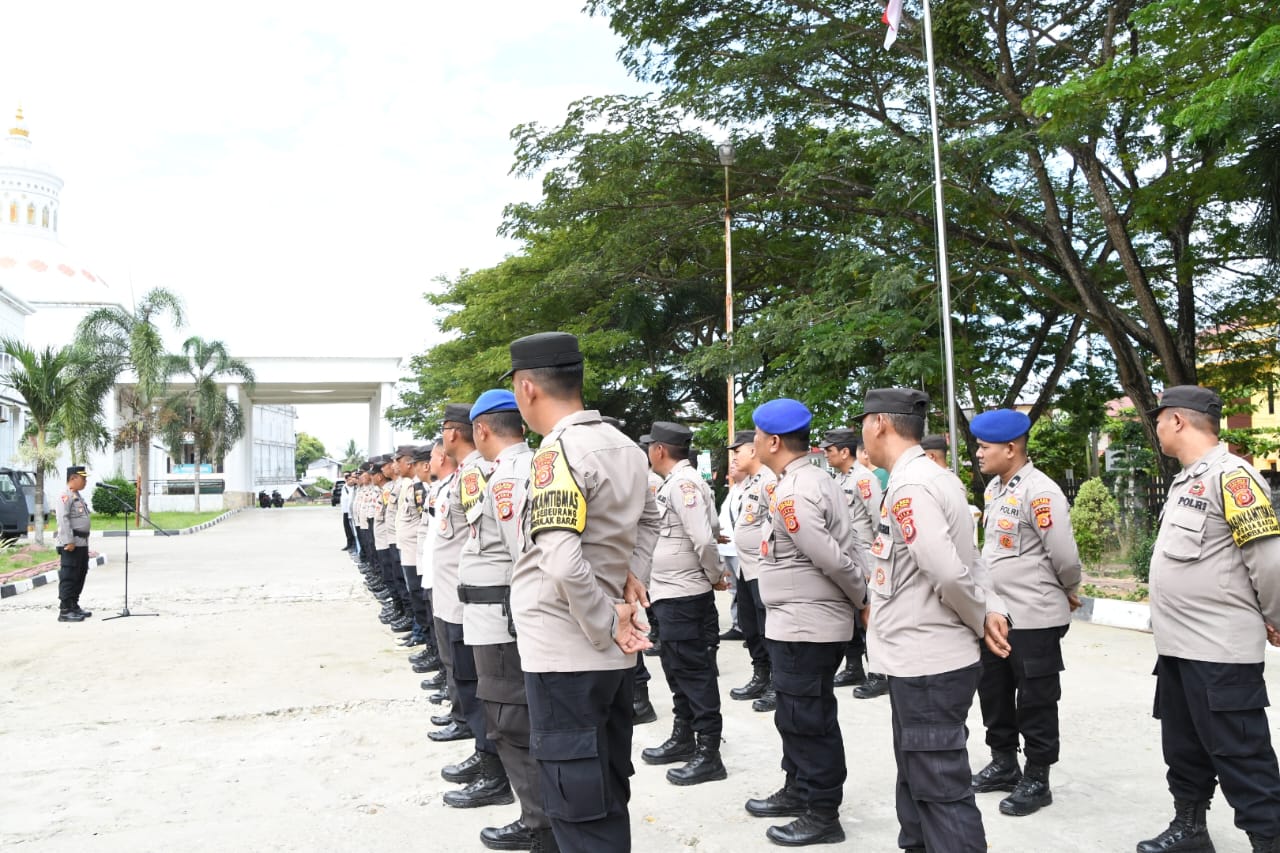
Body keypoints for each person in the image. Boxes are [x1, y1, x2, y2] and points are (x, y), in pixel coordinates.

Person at [507, 331, 659, 853]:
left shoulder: (557, 454)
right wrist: (630, 574)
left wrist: (604, 618)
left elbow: (562, 561)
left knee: (578, 805)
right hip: (610, 655)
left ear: (527, 389)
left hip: (568, 651)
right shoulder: (626, 448)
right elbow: (651, 520)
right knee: (605, 789)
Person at [858, 387, 1011, 853]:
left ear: (879, 423)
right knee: (917, 778)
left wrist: (982, 613)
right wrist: (990, 605)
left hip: (928, 661)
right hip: (918, 660)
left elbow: (947, 569)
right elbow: (970, 559)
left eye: (864, 420)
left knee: (940, 788)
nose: (862, 429)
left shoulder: (912, 486)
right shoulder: (934, 477)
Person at [1137, 385, 1280, 853]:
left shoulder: (1233, 477)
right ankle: (1190, 829)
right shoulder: (1185, 480)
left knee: (1242, 756)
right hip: (1178, 648)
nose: (1156, 428)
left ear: (1177, 421)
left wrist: (1276, 617)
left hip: (1220, 651)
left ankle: (1268, 840)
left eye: (1159, 419)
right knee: (1184, 750)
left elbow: (1268, 559)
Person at [744, 399, 867, 847]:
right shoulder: (808, 479)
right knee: (795, 716)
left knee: (808, 718)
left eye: (756, 434)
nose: (752, 441)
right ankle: (798, 787)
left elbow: (831, 557)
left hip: (806, 625)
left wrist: (861, 597)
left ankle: (822, 811)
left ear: (773, 441)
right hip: (795, 622)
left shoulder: (796, 490)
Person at [969, 408, 1082, 817]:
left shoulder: (1041, 491)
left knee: (1036, 699)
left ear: (1011, 448)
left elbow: (1065, 558)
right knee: (994, 692)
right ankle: (1003, 762)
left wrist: (1066, 590)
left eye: (984, 447)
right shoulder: (996, 490)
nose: (978, 454)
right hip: (996, 615)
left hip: (1034, 617)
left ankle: (1037, 777)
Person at [457, 389, 554, 851]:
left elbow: (525, 556)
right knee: (509, 719)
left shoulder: (509, 477)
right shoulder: (506, 472)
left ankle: (541, 825)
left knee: (511, 722)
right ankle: (538, 817)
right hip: (491, 617)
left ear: (481, 429)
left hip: (503, 621)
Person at [640, 420, 729, 787]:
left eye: (650, 446)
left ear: (660, 450)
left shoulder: (685, 484)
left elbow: (704, 541)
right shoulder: (671, 484)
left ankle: (708, 752)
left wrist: (713, 576)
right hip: (668, 593)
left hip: (685, 594)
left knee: (695, 673)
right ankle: (684, 736)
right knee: (676, 670)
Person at [820, 427, 879, 691]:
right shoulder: (839, 479)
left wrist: (876, 563)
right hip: (847, 557)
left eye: (829, 451)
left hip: (867, 557)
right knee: (853, 615)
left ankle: (879, 673)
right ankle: (854, 667)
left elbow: (879, 521)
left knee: (871, 616)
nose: (826, 455)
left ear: (845, 451)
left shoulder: (864, 479)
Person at [725, 429, 777, 710]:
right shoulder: (749, 483)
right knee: (751, 626)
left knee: (768, 626)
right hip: (746, 567)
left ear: (753, 451)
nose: (734, 456)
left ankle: (776, 684)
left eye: (738, 451)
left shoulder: (769, 481)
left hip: (763, 568)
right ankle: (761, 674)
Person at [54, 465, 93, 622]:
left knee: (80, 574)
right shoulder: (65, 495)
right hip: (71, 543)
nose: (85, 482)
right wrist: (68, 541)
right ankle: (65, 610)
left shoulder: (77, 495)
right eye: (83, 479)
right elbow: (62, 519)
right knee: (69, 575)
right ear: (73, 479)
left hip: (81, 543)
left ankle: (74, 605)